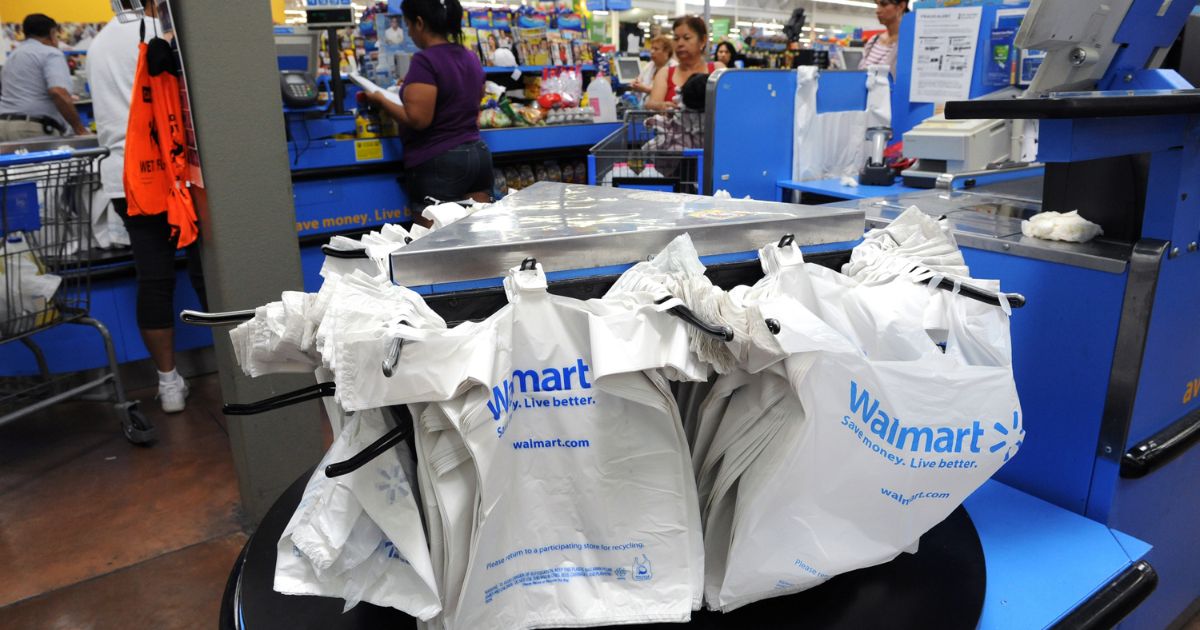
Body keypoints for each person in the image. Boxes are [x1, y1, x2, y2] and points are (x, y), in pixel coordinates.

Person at [88, 4, 206, 413]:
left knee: (154, 279)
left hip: (126, 176)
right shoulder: (170, 31)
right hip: (175, 172)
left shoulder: (97, 44)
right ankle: (236, 369)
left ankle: (168, 384)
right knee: (208, 269)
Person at [368, 0, 493, 212]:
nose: (409, 32)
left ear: (419, 23)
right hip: (477, 156)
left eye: (407, 25)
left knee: (433, 239)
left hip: (439, 160)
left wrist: (381, 99)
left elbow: (418, 119)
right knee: (477, 236)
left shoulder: (425, 60)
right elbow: (477, 94)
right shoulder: (469, 56)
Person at [0, 14, 89, 141]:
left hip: (3, 126)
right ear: (52, 33)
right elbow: (57, 92)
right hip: (33, 129)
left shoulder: (13, 56)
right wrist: (80, 130)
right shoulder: (50, 53)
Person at [647, 16, 725, 111]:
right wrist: (660, 106)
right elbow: (651, 103)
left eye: (686, 38)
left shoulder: (718, 71)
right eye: (676, 38)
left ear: (703, 40)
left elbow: (731, 100)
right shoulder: (665, 73)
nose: (680, 43)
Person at [861, 0, 909, 76]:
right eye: (877, 4)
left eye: (884, 4)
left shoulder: (907, 45)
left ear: (901, 6)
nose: (877, 11)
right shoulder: (874, 40)